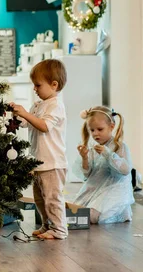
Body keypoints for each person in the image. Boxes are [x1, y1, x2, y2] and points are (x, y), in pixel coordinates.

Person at [10, 59, 68, 240]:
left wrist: (25, 113)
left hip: (52, 162)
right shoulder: (38, 104)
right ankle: (47, 225)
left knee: (52, 198)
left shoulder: (55, 105)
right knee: (40, 198)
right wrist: (18, 116)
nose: (35, 89)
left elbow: (44, 126)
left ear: (54, 85)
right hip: (38, 160)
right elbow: (29, 124)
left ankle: (59, 229)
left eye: (38, 85)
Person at [73, 106, 134, 224]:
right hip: (95, 187)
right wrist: (84, 157)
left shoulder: (119, 146)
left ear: (111, 127)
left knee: (93, 216)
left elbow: (125, 170)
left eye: (100, 129)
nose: (95, 134)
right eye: (92, 130)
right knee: (76, 210)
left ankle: (120, 212)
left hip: (114, 188)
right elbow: (87, 174)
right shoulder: (92, 147)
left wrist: (108, 154)